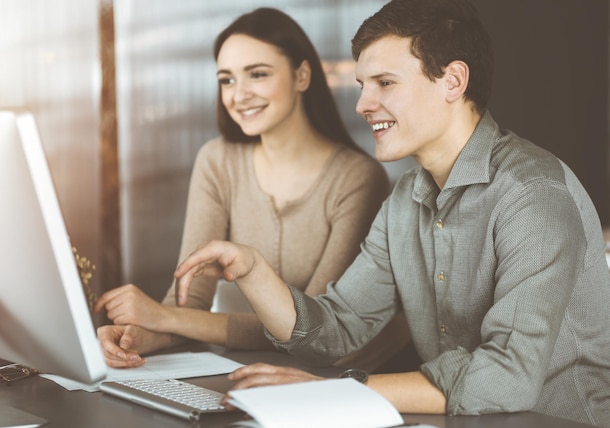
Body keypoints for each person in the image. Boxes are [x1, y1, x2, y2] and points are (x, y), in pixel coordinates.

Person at [173, 0, 610, 426]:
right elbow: (337, 329)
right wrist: (253, 270)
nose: (363, 103)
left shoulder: (533, 195)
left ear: (453, 81)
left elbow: (508, 377)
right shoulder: (405, 200)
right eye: (363, 84)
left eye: (384, 82)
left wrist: (333, 391)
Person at [94, 7, 408, 373]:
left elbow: (314, 327)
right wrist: (142, 334)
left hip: (317, 379)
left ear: (302, 76)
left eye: (257, 75)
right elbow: (191, 299)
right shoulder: (217, 160)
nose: (239, 94)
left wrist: (163, 318)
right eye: (226, 80)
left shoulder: (358, 178)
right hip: (238, 372)